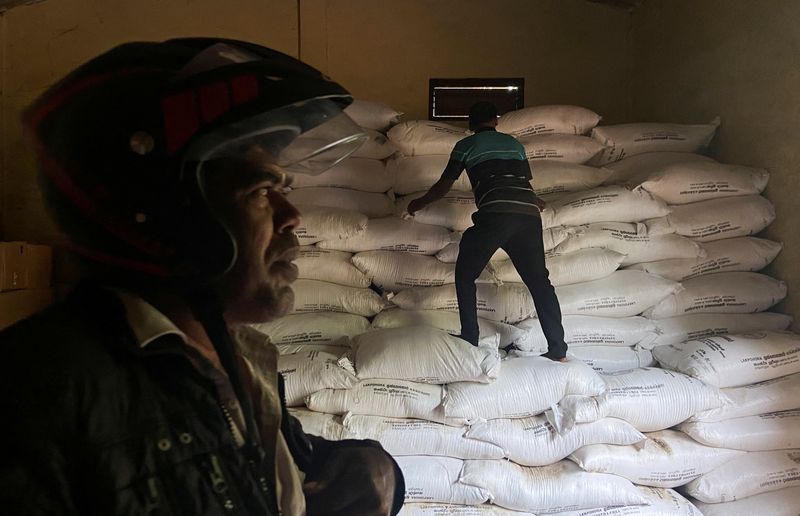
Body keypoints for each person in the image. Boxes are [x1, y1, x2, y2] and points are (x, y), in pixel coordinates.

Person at [0, 38, 404, 515]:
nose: (291, 215)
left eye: (284, 187)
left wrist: (375, 467)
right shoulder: (34, 397)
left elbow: (267, 462)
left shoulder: (234, 362)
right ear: (168, 214)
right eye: (260, 189)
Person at [407, 101, 568, 361]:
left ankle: (470, 337)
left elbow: (443, 186)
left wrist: (417, 204)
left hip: (495, 215)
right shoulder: (515, 145)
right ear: (495, 120)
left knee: (465, 273)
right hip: (528, 216)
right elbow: (520, 183)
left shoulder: (465, 146)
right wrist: (537, 202)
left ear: (470, 125)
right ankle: (558, 350)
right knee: (540, 283)